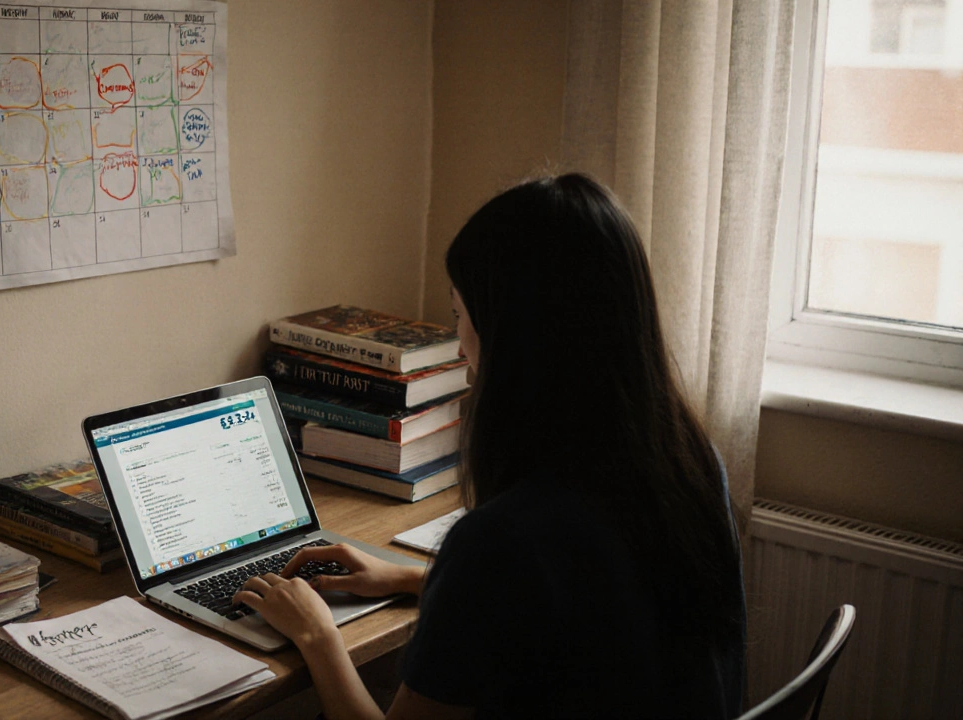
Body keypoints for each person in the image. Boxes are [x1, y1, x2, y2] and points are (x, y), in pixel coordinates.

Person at [234, 173, 747, 719]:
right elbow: (584, 603)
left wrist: (317, 636)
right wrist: (416, 579)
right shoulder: (689, 466)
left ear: (513, 333)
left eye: (459, 315)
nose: (459, 344)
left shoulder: (502, 542)